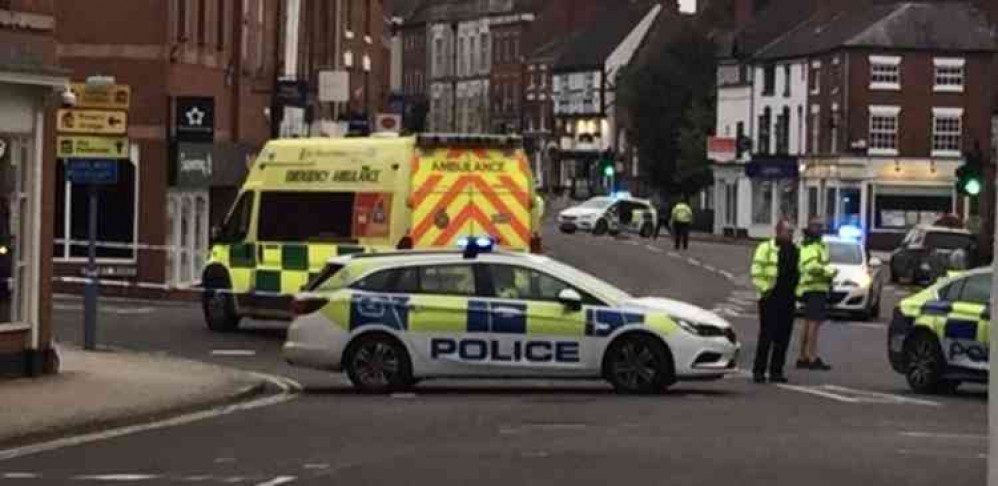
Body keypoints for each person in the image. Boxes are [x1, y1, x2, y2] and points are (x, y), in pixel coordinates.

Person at [750, 220, 799, 384]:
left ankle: (776, 371)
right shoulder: (766, 248)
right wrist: (766, 290)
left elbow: (798, 274)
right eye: (788, 231)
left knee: (783, 337)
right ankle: (759, 370)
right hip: (770, 297)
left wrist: (797, 294)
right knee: (766, 335)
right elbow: (756, 271)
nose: (791, 234)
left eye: (792, 232)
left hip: (788, 297)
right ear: (778, 231)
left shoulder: (794, 250)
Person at [796, 218, 837, 371]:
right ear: (811, 228)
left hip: (815, 288)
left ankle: (803, 356)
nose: (821, 229)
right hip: (814, 288)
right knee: (814, 323)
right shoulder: (810, 245)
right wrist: (830, 272)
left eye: (821, 226)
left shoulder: (817, 244)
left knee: (809, 323)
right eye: (818, 226)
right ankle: (811, 357)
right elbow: (811, 266)